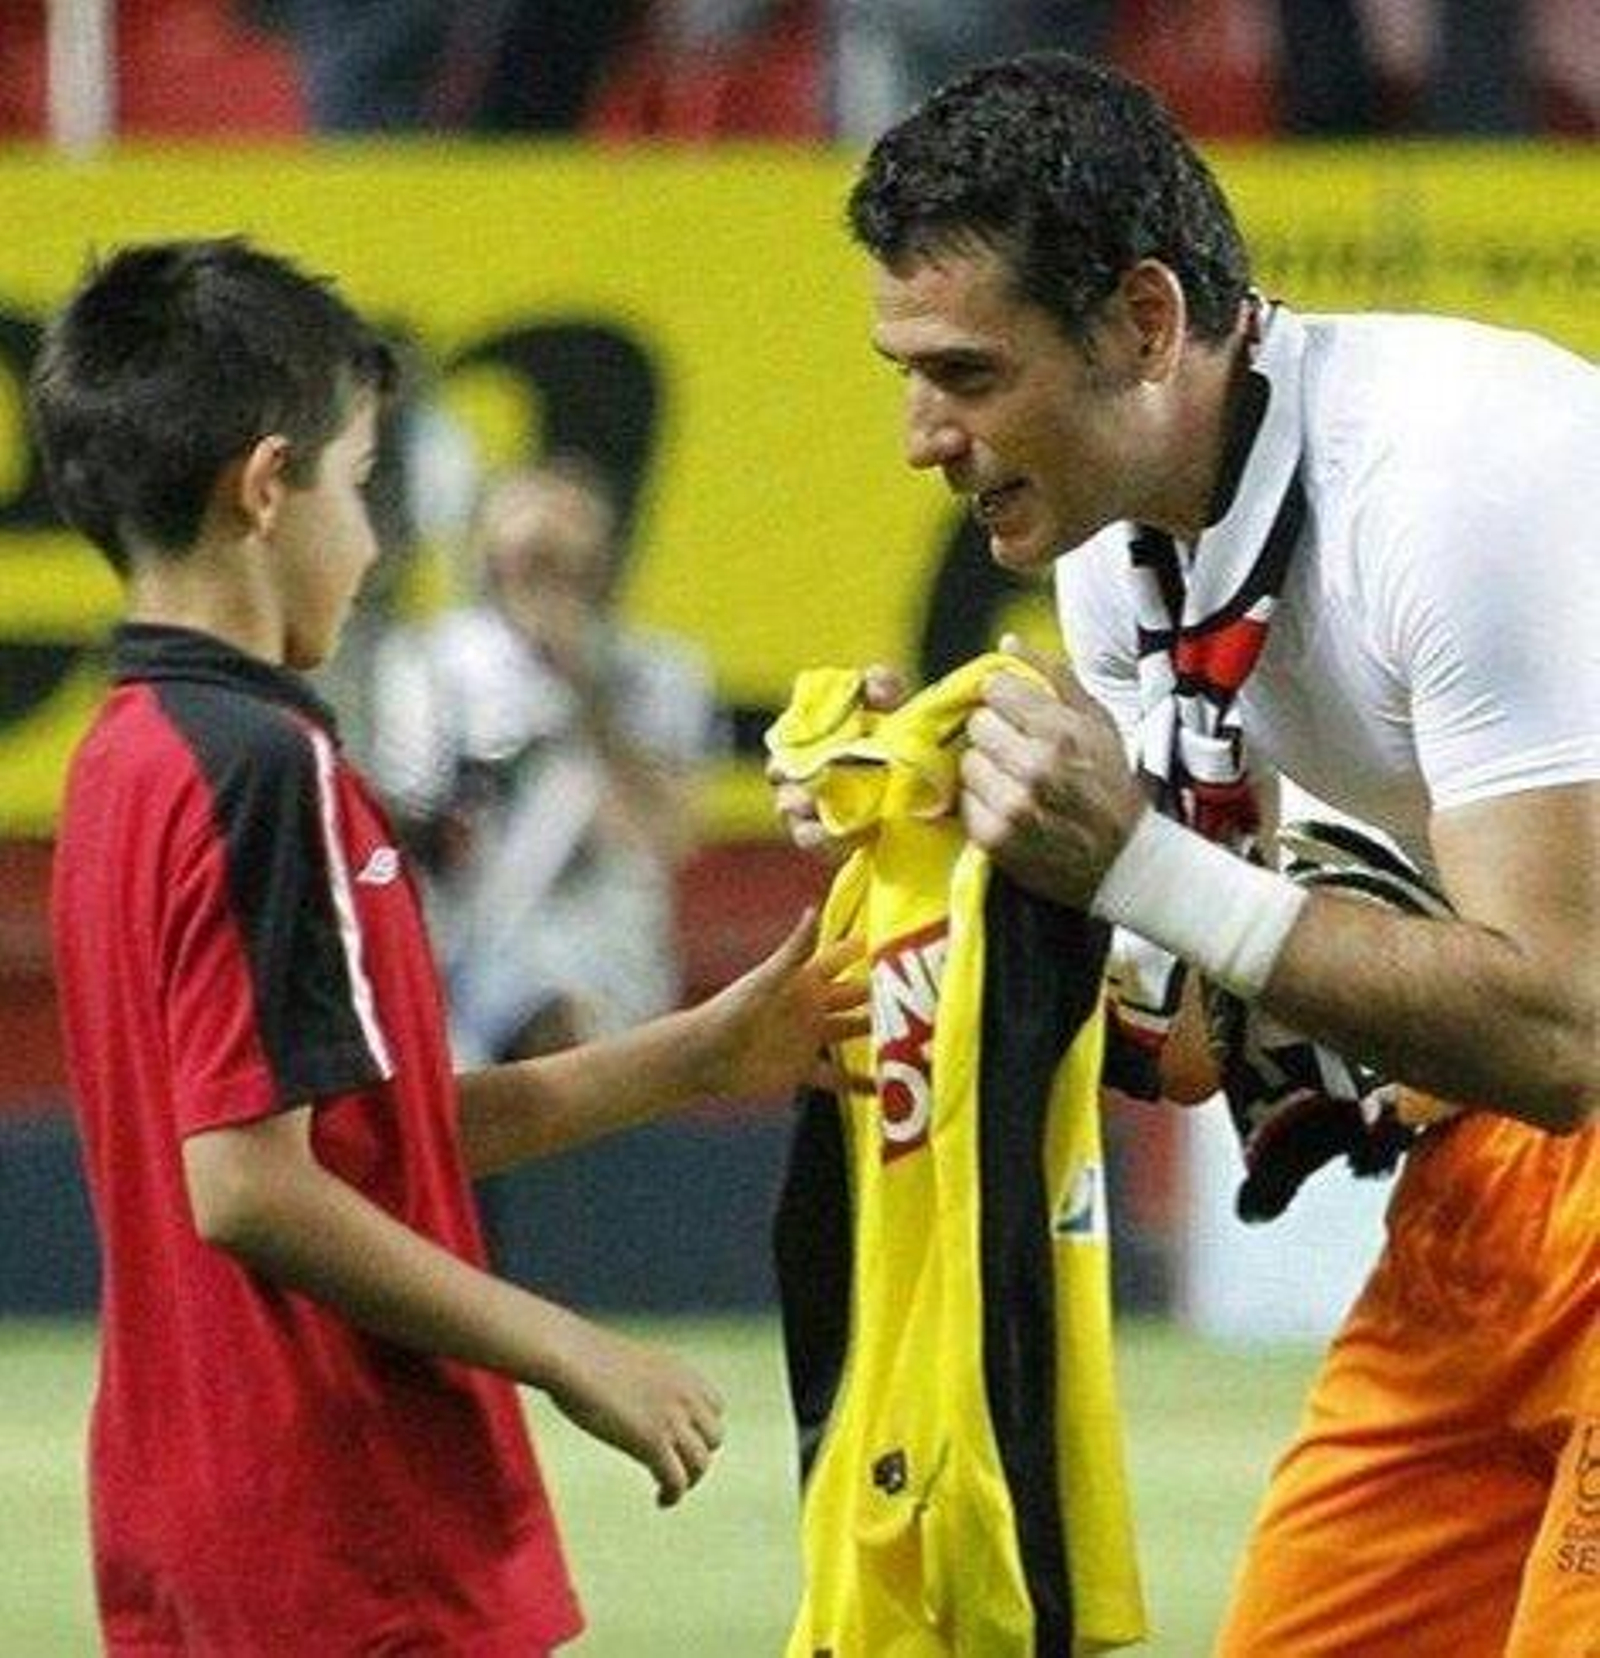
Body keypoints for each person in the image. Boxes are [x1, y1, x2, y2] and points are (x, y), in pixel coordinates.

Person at [776, 51, 1597, 1656]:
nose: (921, 437)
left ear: (1147, 322)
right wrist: (957, 846)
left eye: (965, 371)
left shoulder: (1462, 480)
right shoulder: (1119, 553)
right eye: (908, 371)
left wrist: (1135, 860)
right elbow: (1191, 1034)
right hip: (1498, 1173)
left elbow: (1567, 1025)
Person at [30, 235, 865, 1655]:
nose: (371, 545)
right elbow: (247, 1188)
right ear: (266, 489)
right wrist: (568, 1345)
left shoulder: (126, 760)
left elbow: (364, 1141)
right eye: (360, 493)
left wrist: (701, 1050)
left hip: (198, 1514)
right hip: (345, 1524)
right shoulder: (262, 768)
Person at [369, 456, 718, 1065]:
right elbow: (409, 827)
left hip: (600, 950)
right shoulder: (431, 663)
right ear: (489, 559)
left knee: (560, 1022)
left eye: (565, 561)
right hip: (464, 946)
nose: (546, 579)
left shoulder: (658, 672)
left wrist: (584, 688)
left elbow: (665, 834)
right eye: (530, 560)